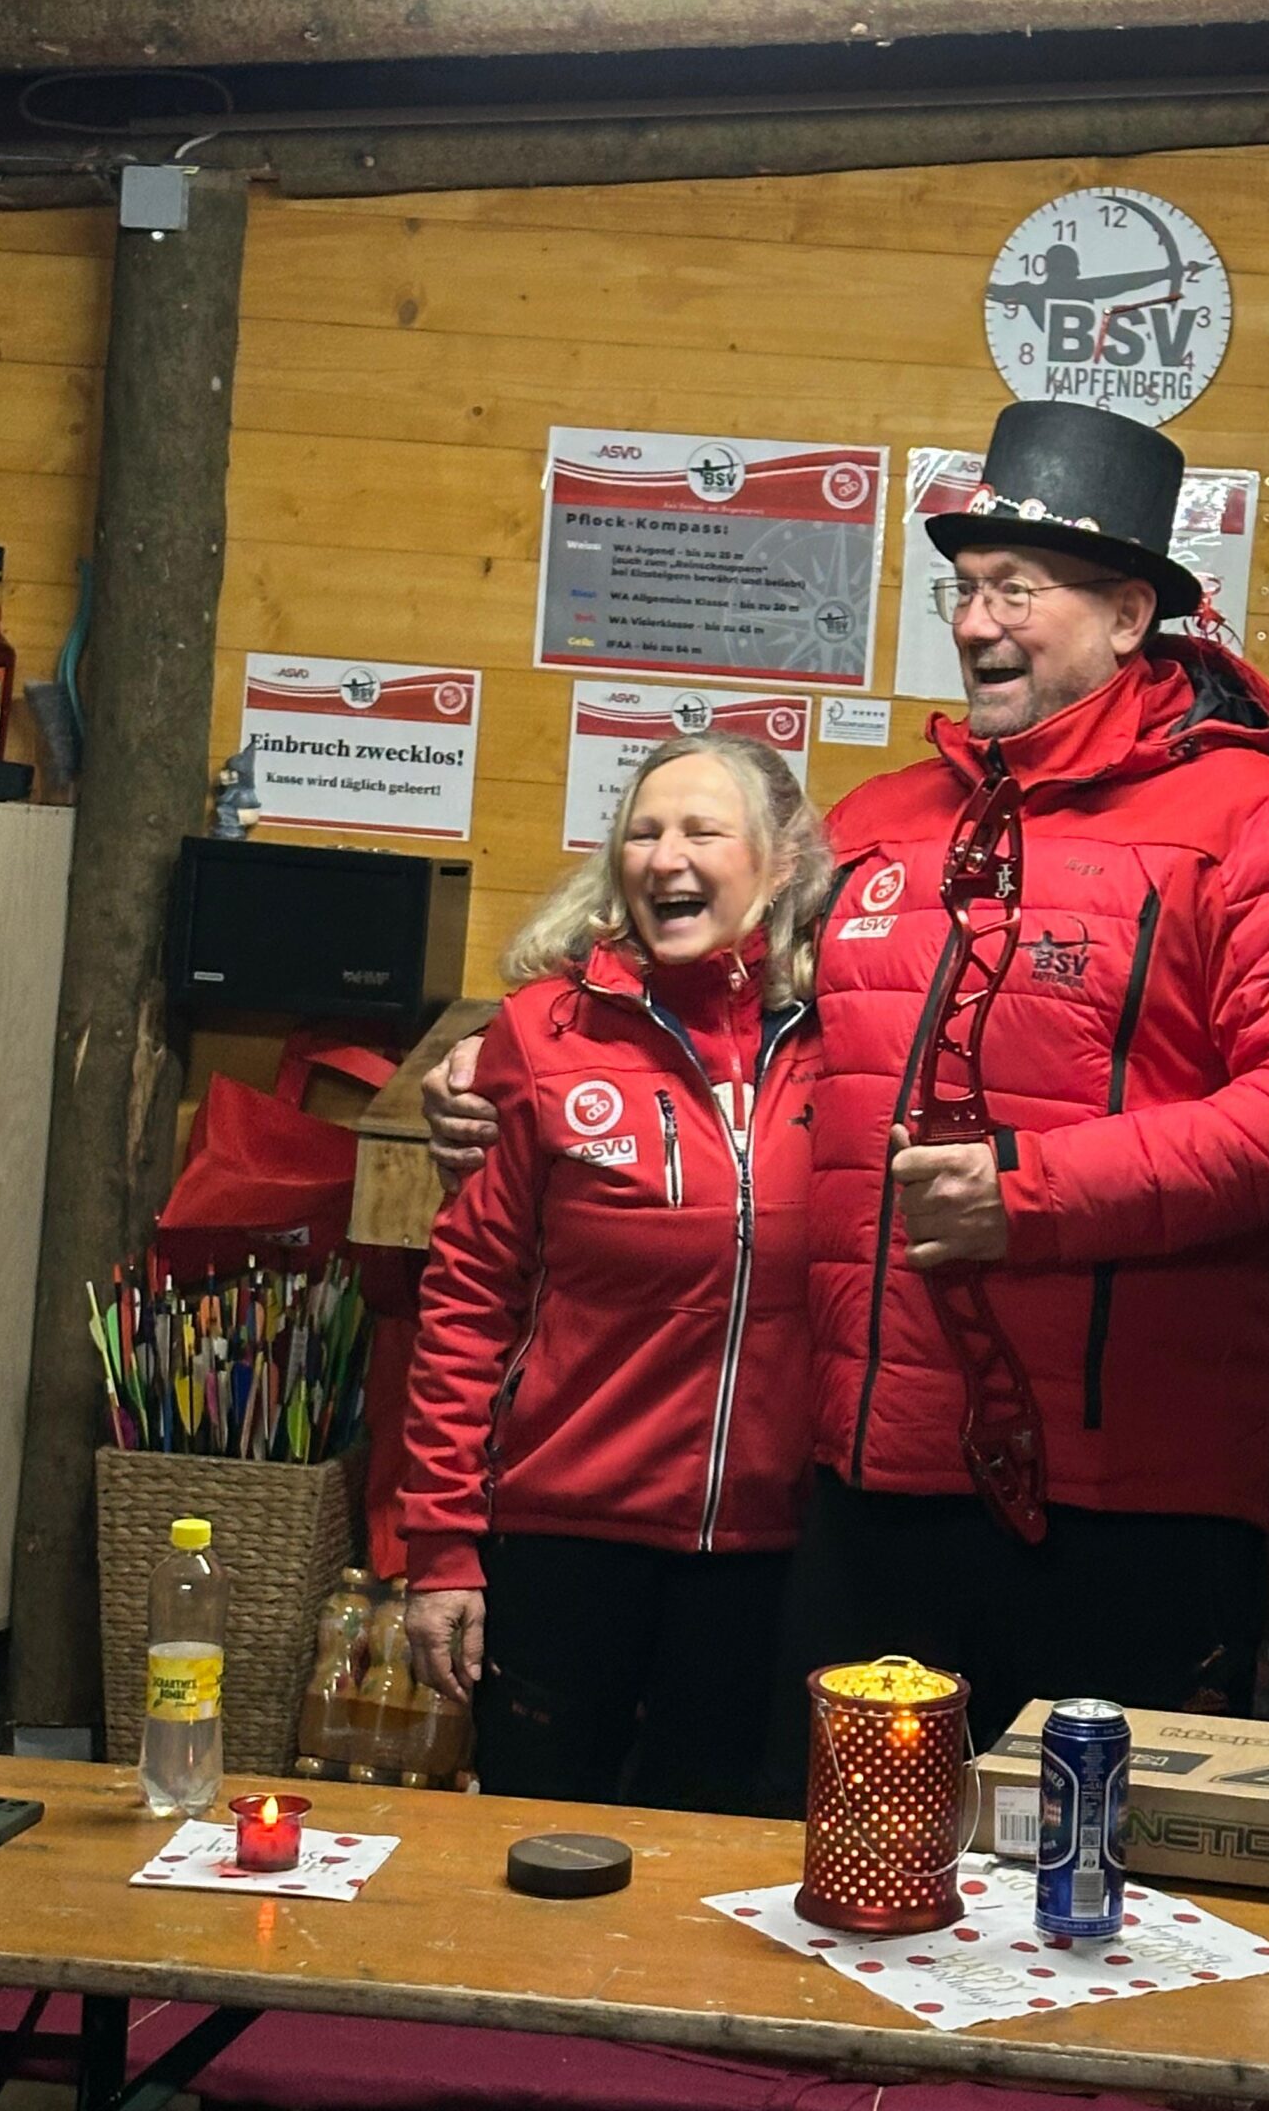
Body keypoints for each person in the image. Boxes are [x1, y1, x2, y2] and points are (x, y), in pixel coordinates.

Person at [428, 401, 1269, 1776]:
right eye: (965, 589)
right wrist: (497, 1062)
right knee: (841, 1868)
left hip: (1132, 1501)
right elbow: (697, 979)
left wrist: (1034, 1195)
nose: (978, 622)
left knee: (1088, 1872)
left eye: (1019, 589)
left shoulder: (1257, 825)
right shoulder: (883, 825)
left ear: (1130, 615)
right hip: (870, 1491)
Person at [400, 733, 830, 1811]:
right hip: (564, 1543)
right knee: (532, 1851)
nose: (664, 857)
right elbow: (467, 1302)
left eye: (702, 831)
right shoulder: (543, 1034)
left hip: (773, 1554)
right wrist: (443, 1546)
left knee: (723, 1865)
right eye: (643, 832)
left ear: (781, 861)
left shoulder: (846, 1038)